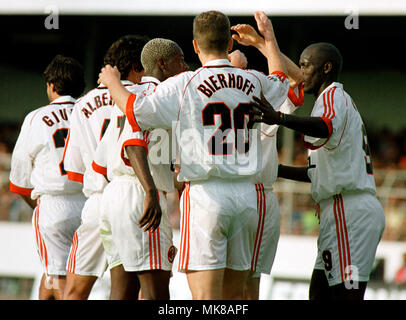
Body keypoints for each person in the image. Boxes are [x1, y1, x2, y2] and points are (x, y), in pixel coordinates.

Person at [99, 10, 292, 300]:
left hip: (206, 197)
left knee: (206, 300)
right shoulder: (252, 80)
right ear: (230, 44)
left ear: (195, 46)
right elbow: (281, 80)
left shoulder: (185, 82)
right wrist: (268, 39)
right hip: (246, 197)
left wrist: (113, 81)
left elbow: (135, 111)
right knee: (234, 299)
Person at [248, 42, 386, 300]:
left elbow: (324, 127)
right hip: (340, 211)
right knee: (319, 293)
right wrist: (273, 168)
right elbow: (315, 173)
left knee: (343, 296)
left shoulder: (333, 95)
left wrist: (279, 118)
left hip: (349, 211)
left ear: (326, 68)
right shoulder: (330, 101)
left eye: (306, 65)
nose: (302, 72)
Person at [93, 38, 188, 300]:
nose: (185, 66)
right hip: (141, 194)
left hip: (114, 195)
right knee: (157, 294)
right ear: (163, 64)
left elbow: (99, 164)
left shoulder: (126, 94)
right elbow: (133, 143)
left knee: (122, 291)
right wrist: (150, 190)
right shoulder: (158, 94)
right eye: (180, 60)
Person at [62, 34, 149, 300]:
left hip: (97, 202)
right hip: (131, 198)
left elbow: (74, 169)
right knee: (133, 289)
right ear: (136, 66)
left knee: (76, 290)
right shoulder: (142, 97)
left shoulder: (83, 104)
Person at [230, 19, 304, 299]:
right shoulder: (259, 93)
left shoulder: (261, 96)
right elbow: (297, 81)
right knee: (230, 280)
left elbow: (298, 82)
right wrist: (264, 42)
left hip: (252, 191)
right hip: (234, 192)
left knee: (247, 283)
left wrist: (262, 43)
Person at [9, 55, 86, 300]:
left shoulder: (36, 118)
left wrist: (38, 206)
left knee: (59, 276)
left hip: (53, 205)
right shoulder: (90, 113)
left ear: (51, 86)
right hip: (88, 204)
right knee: (55, 273)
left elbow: (19, 180)